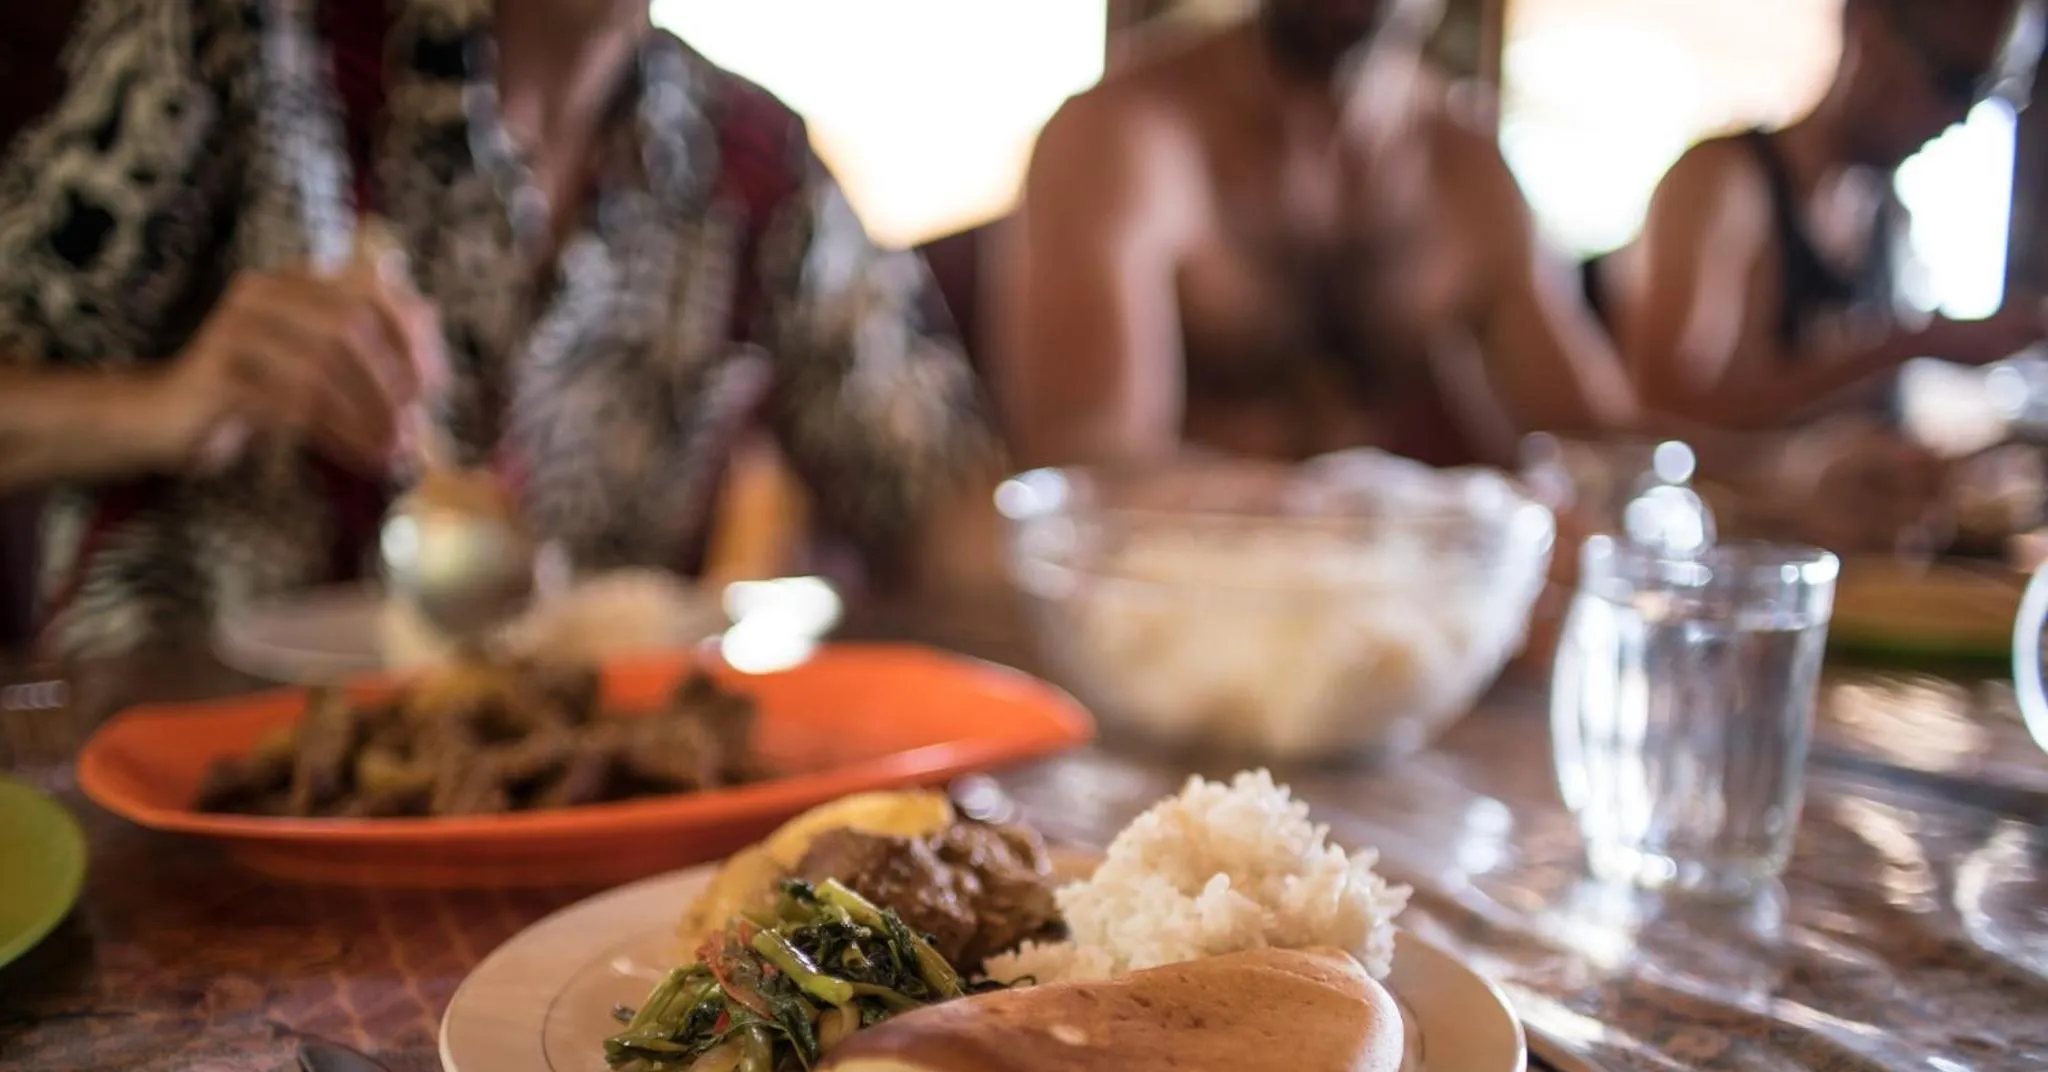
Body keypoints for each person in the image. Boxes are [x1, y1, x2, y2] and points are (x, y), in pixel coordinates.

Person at [0, 0, 986, 657]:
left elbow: (945, 505)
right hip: (187, 770)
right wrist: (167, 406)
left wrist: (1073, 573)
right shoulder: (241, 39)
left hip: (570, 806)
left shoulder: (752, 160)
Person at [993, 0, 1635, 472]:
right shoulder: (1126, 132)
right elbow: (1088, 461)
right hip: (1170, 585)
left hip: (1388, 589)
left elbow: (1599, 450)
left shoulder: (1467, 170)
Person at [1597, 0, 2044, 430]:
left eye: (1990, 94)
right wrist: (1911, 344)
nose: (1961, 118)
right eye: (1955, 82)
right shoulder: (1725, 183)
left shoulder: (1888, 218)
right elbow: (1665, 417)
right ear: (1868, 28)